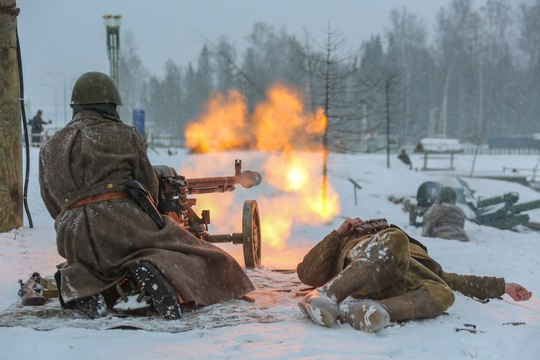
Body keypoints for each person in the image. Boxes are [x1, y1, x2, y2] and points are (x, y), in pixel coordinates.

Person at [39, 71, 254, 320]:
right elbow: (148, 188)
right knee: (193, 252)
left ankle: (79, 282)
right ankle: (150, 266)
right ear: (111, 105)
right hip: (122, 224)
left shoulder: (49, 147)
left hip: (71, 235)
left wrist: (77, 219)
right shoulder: (124, 134)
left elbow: (51, 201)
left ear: (76, 107)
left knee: (92, 264)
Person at [297, 217, 531, 333]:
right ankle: (325, 296)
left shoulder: (420, 260)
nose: (374, 227)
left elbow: (458, 281)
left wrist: (503, 286)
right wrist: (338, 235)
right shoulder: (353, 243)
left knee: (444, 292)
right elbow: (307, 272)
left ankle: (367, 312)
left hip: (400, 284)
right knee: (395, 238)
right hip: (365, 272)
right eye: (369, 227)